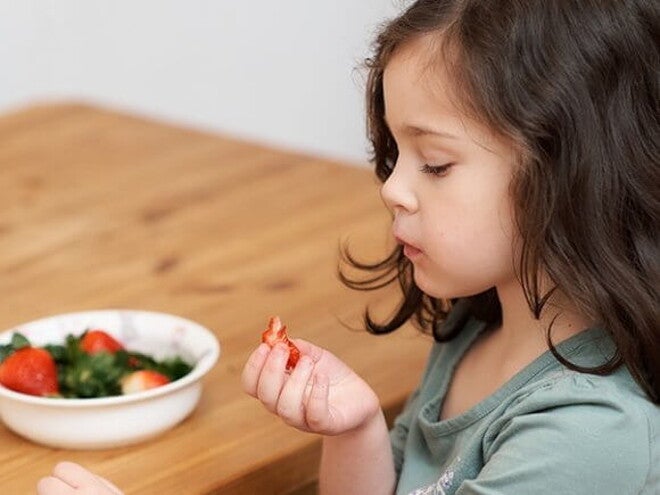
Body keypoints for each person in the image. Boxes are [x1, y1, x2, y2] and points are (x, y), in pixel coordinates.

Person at [37, 0, 658, 493]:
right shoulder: (481, 327)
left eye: (435, 164)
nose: (393, 188)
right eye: (396, 154)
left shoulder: (590, 436)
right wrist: (357, 433)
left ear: (572, 173)